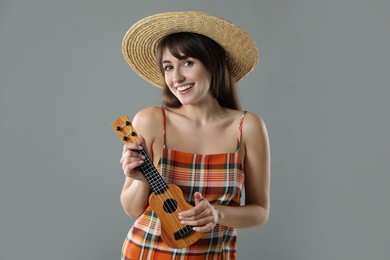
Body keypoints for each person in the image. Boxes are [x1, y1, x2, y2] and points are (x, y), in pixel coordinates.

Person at [118, 11, 270, 259]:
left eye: (187, 62)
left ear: (213, 63)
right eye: (168, 67)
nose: (176, 78)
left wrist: (218, 213)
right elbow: (132, 209)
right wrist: (139, 179)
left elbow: (260, 211)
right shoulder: (150, 120)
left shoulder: (248, 127)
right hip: (147, 252)